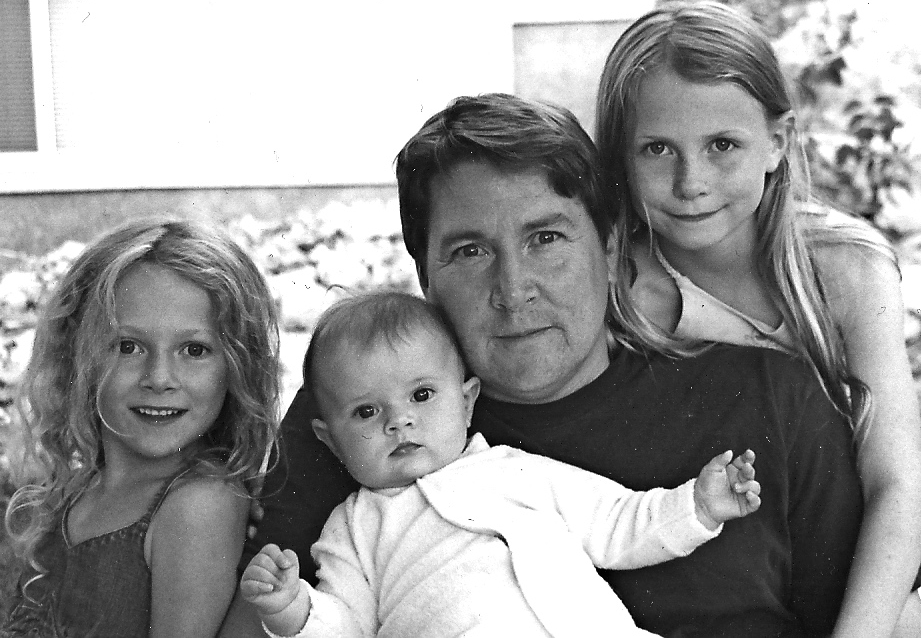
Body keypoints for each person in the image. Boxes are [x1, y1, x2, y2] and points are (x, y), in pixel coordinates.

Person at [221, 92, 864, 637]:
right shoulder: (364, 407)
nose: (513, 290)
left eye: (546, 238)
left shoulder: (769, 399)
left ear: (609, 247)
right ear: (426, 278)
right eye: (471, 252)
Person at [594, 0, 921, 637]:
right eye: (657, 149)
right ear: (620, 157)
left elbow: (895, 487)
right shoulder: (621, 288)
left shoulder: (844, 271)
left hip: (874, 546)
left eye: (722, 145)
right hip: (718, 537)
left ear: (777, 143)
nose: (691, 182)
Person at [240, 290, 762, 637]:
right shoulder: (353, 527)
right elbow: (346, 626)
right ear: (330, 441)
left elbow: (617, 521)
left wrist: (697, 506)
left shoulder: (516, 470)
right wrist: (293, 609)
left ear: (467, 401)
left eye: (421, 394)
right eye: (367, 412)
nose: (399, 422)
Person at [2, 218, 281, 638]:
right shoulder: (75, 490)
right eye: (128, 346)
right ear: (77, 353)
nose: (159, 378)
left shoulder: (198, 504)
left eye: (194, 350)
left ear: (237, 367)